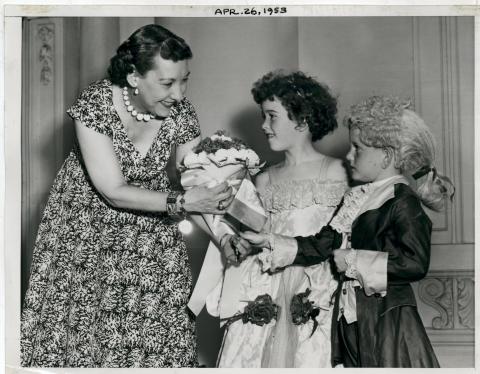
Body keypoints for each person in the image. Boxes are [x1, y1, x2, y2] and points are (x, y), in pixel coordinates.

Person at [20, 24, 234, 368]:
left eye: (184, 80)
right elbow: (113, 191)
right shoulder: (97, 102)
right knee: (87, 341)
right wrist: (181, 202)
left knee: (160, 338)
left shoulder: (181, 113)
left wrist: (223, 238)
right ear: (134, 76)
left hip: (150, 239)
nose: (178, 94)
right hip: (88, 235)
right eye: (166, 83)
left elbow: (196, 187)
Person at [242, 95, 455, 367]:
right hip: (352, 321)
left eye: (358, 148)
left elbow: (415, 263)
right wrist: (272, 242)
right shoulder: (357, 197)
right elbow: (323, 243)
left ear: (386, 156)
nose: (349, 155)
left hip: (387, 321)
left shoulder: (402, 201)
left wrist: (354, 261)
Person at [215, 70, 348, 367]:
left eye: (272, 116)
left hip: (317, 288)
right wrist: (237, 243)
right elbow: (241, 236)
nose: (264, 126)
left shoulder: (339, 173)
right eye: (264, 117)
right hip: (266, 288)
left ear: (302, 120)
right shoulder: (262, 180)